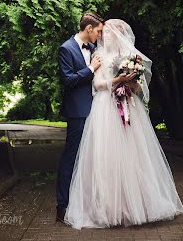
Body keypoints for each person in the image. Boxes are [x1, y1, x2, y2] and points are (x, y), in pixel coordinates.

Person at [64, 18, 183, 229]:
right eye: (104, 33)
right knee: (107, 156)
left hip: (129, 107)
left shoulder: (130, 57)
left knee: (133, 155)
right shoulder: (98, 55)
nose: (104, 36)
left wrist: (130, 82)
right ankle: (109, 208)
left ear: (120, 35)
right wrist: (116, 81)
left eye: (110, 33)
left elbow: (139, 88)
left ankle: (137, 205)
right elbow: (97, 84)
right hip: (105, 109)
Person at [56, 11, 105, 223]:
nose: (99, 35)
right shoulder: (66, 49)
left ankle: (86, 204)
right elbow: (68, 80)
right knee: (72, 157)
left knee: (91, 160)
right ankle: (62, 206)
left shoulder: (95, 48)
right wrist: (91, 69)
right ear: (88, 29)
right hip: (77, 112)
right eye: (98, 31)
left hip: (96, 112)